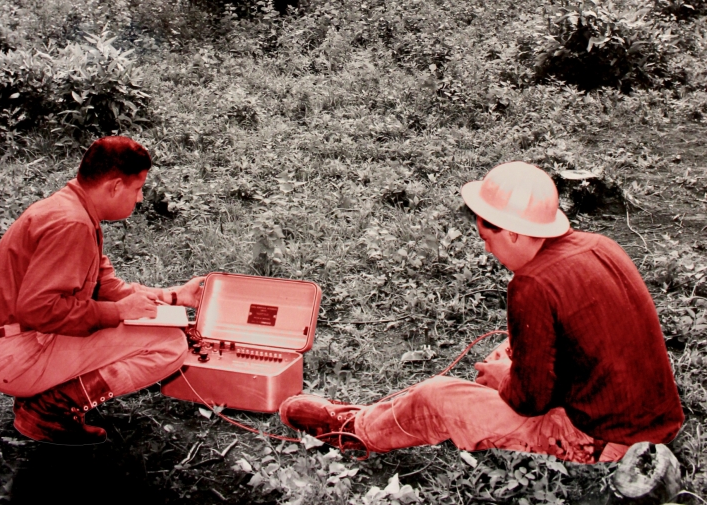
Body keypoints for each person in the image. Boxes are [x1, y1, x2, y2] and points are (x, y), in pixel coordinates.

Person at [279, 161, 684, 464]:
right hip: (653, 424)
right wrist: (517, 352)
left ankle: (353, 430)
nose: (488, 250)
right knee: (511, 348)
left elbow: (528, 402)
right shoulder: (599, 245)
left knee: (436, 397)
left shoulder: (532, 284)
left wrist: (505, 377)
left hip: (603, 442)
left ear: (511, 232)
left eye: (487, 238)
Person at [0, 136, 200, 445]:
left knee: (157, 332)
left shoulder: (72, 208)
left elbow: (106, 287)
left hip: (6, 343)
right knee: (169, 346)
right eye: (138, 188)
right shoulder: (72, 225)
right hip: (8, 355)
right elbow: (38, 309)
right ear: (115, 187)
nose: (140, 199)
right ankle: (49, 409)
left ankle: (45, 394)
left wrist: (172, 296)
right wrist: (117, 313)